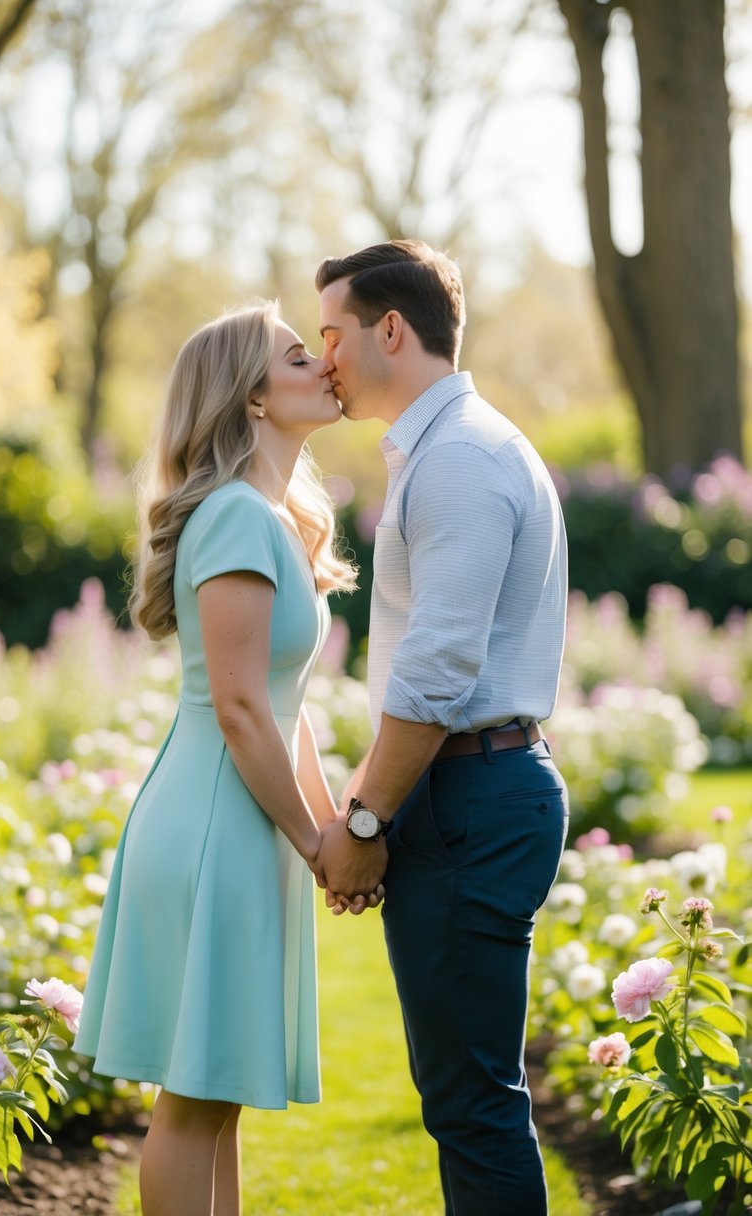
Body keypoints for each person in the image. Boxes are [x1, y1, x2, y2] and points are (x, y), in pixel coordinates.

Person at [74, 300, 363, 1216]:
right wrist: (316, 844)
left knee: (217, 1094)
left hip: (240, 819)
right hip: (211, 825)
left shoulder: (272, 518)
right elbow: (240, 709)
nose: (323, 362)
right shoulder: (236, 516)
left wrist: (322, 832)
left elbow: (289, 709)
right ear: (250, 401)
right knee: (193, 1101)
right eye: (295, 356)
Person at [314, 240, 570, 1216]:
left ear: (390, 328)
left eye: (331, 332)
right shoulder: (452, 445)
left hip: (470, 794)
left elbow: (436, 671)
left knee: (471, 1102)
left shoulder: (459, 457)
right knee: (466, 1097)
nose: (321, 355)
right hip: (463, 789)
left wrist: (367, 823)